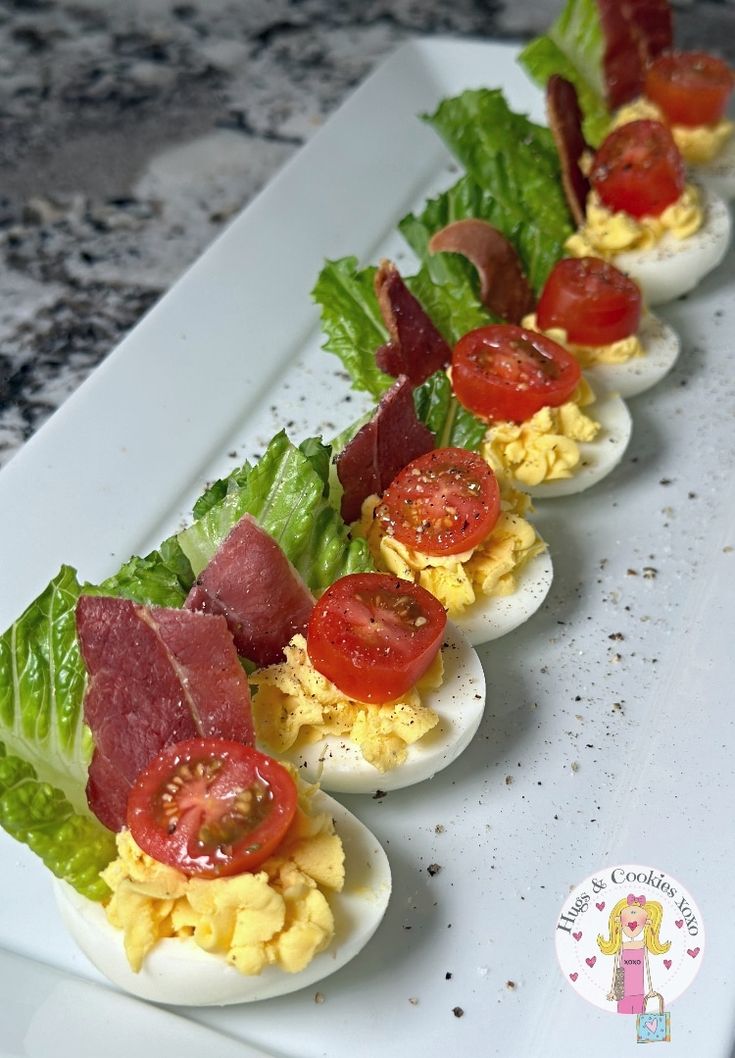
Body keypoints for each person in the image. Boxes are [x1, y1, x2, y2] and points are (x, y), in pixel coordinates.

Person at [597, 894, 670, 1014]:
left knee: (639, 1018)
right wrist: (612, 991)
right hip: (622, 993)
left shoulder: (643, 946)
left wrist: (651, 989)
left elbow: (647, 969)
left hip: (639, 993)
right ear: (619, 922)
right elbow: (615, 970)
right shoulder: (620, 947)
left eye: (638, 923)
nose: (632, 926)